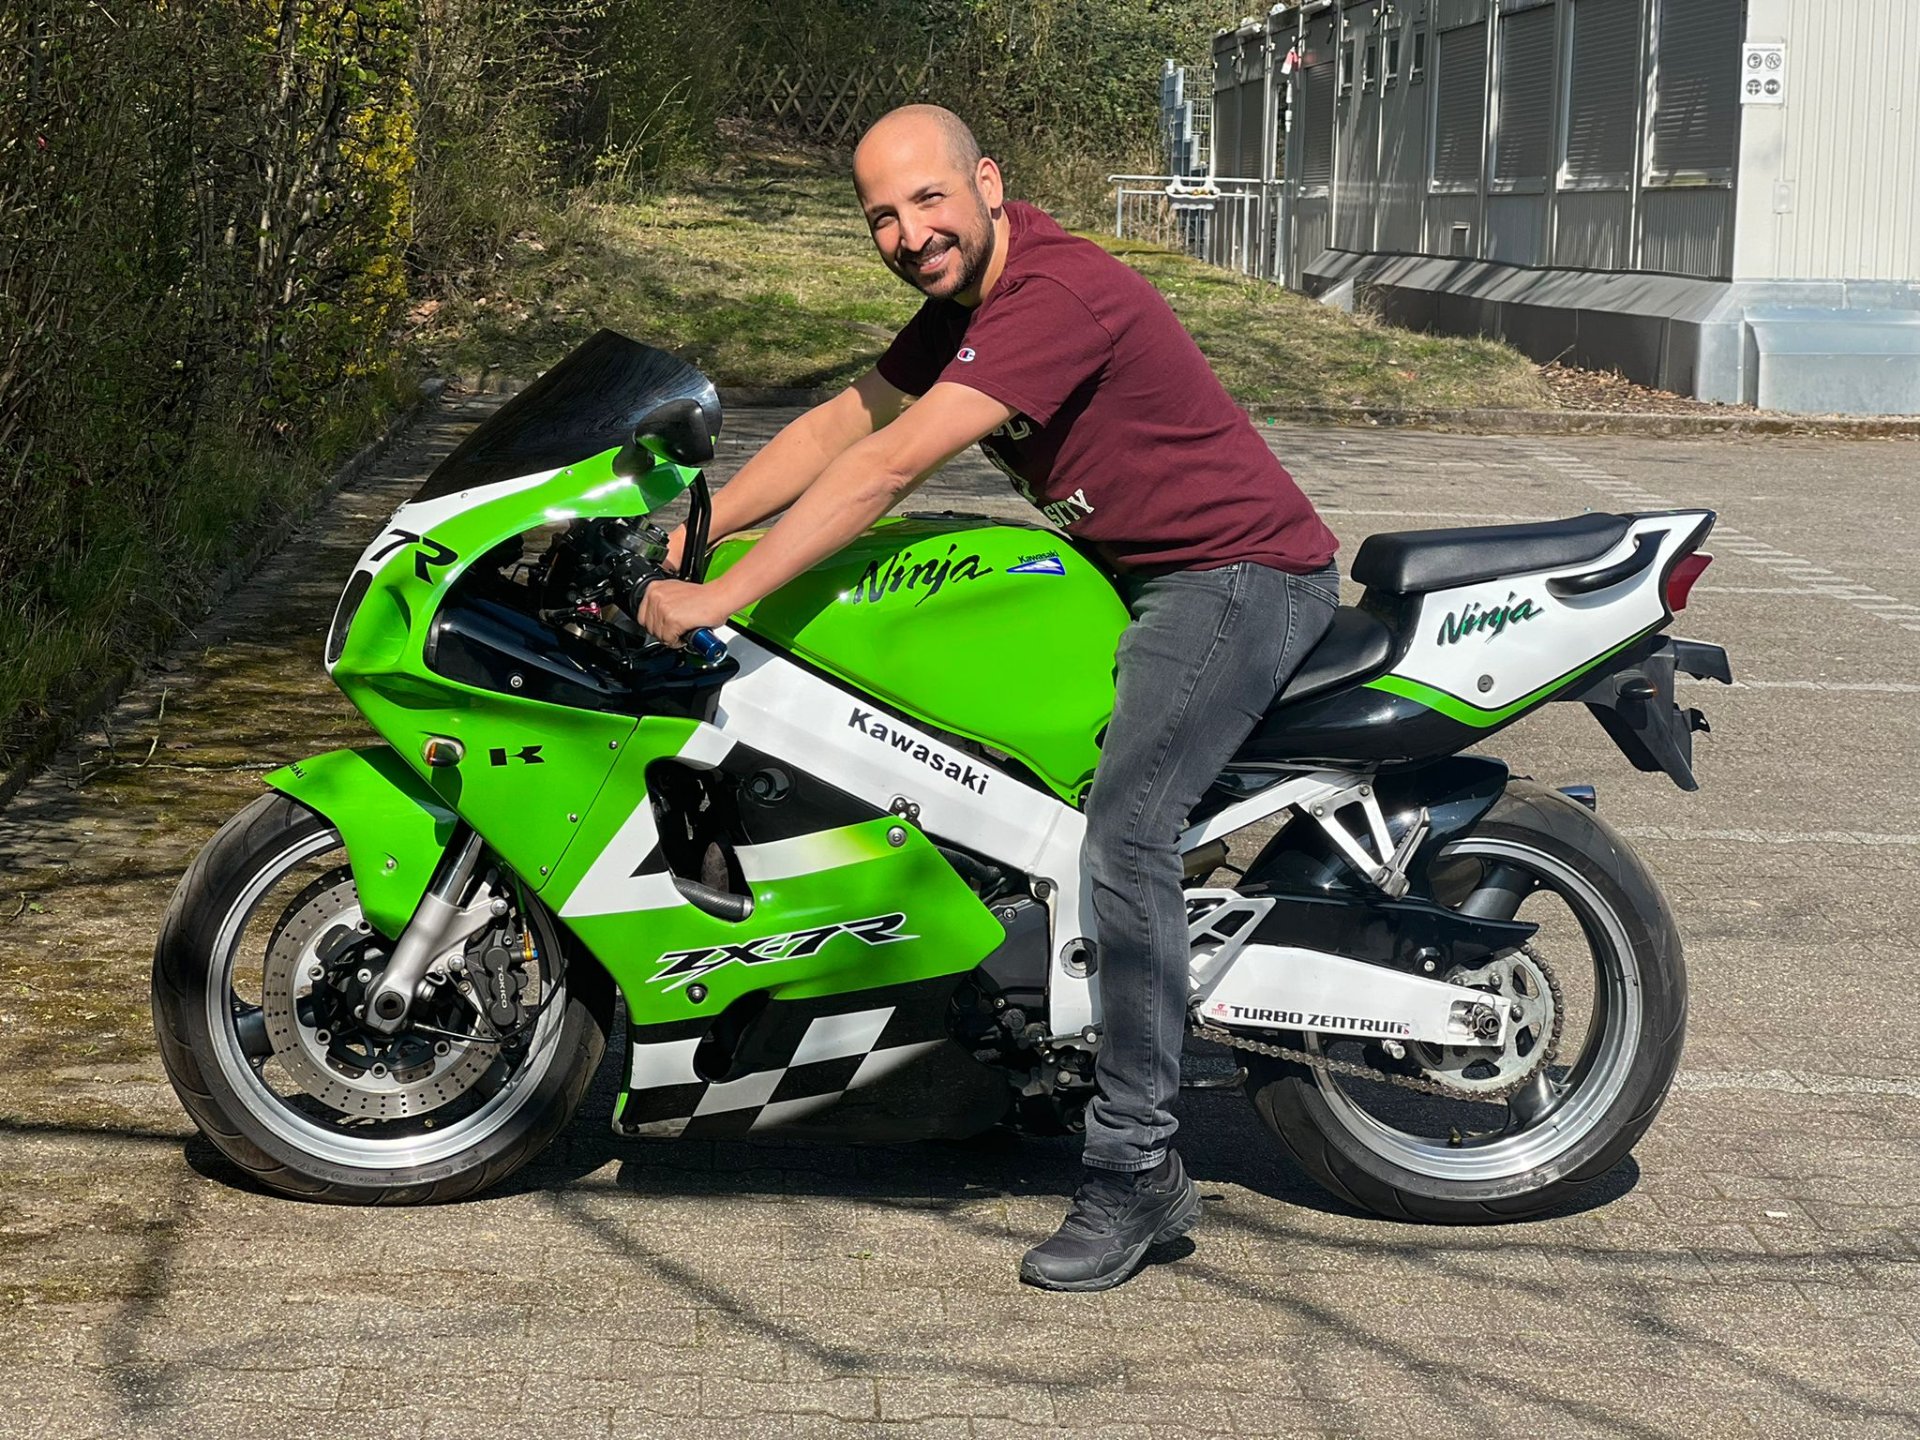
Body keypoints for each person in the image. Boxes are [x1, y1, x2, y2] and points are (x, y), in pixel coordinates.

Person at [638, 104, 1340, 1291]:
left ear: (989, 185)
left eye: (928, 199)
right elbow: (843, 423)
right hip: (1135, 577)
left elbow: (888, 464)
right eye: (882, 216)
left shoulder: (1054, 296)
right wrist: (689, 535)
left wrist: (723, 594)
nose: (911, 233)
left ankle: (1136, 1169)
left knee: (1128, 833)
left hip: (1235, 578)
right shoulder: (969, 302)